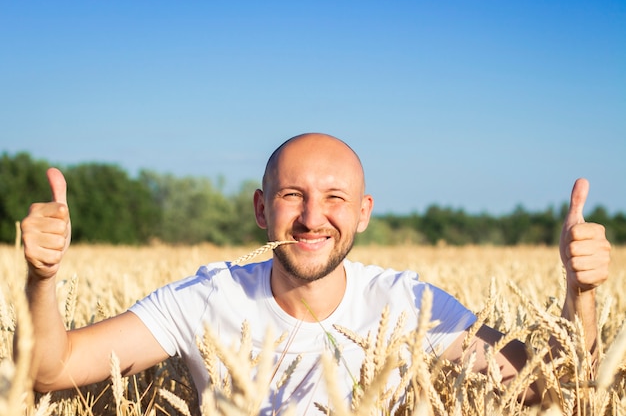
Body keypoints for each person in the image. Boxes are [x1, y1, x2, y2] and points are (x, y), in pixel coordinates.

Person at [21, 133, 611, 414]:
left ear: (363, 212)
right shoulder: (207, 297)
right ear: (260, 208)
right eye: (292, 195)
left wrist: (578, 292)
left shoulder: (410, 305)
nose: (311, 217)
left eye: (334, 198)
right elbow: (53, 370)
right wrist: (43, 279)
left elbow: (553, 387)